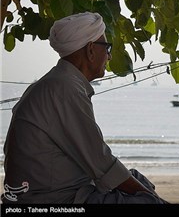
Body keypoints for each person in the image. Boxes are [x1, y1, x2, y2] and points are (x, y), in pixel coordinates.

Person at [1, 12, 168, 204]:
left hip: (58, 190)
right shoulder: (64, 88)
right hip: (56, 199)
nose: (109, 55)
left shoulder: (60, 82)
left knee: (136, 179)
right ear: (90, 50)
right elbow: (102, 163)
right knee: (147, 199)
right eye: (106, 47)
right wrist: (154, 199)